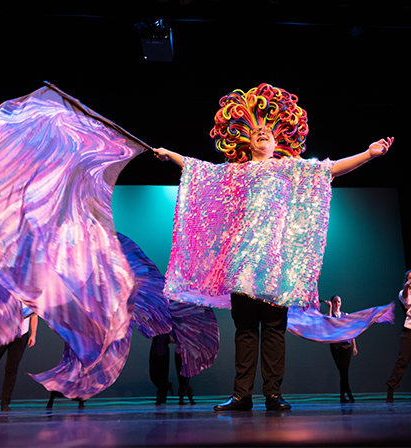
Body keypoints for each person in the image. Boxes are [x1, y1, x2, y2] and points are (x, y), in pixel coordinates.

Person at [153, 83, 394, 411]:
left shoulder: (289, 170)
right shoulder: (236, 173)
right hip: (243, 266)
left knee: (274, 331)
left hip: (276, 268)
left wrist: (368, 154)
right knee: (246, 331)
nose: (261, 133)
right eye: (255, 132)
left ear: (276, 142)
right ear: (248, 142)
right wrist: (171, 156)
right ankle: (241, 396)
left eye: (267, 131)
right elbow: (201, 171)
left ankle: (272, 394)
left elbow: (331, 168)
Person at [324, 296, 358, 403]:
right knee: (342, 371)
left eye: (338, 301)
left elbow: (351, 331)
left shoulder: (345, 315)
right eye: (334, 302)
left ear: (341, 303)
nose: (336, 303)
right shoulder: (329, 314)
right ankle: (346, 394)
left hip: (346, 346)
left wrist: (355, 346)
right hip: (335, 347)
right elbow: (329, 322)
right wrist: (329, 308)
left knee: (344, 371)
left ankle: (344, 396)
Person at [149, 332, 196, 406]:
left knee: (184, 377)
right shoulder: (159, 327)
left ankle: (182, 398)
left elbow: (174, 338)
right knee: (153, 376)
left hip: (182, 353)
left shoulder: (174, 328)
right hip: (159, 352)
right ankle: (169, 388)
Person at [386, 269, 411, 403]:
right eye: (409, 278)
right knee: (403, 361)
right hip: (409, 329)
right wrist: (408, 285)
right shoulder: (403, 293)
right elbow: (407, 302)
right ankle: (391, 388)